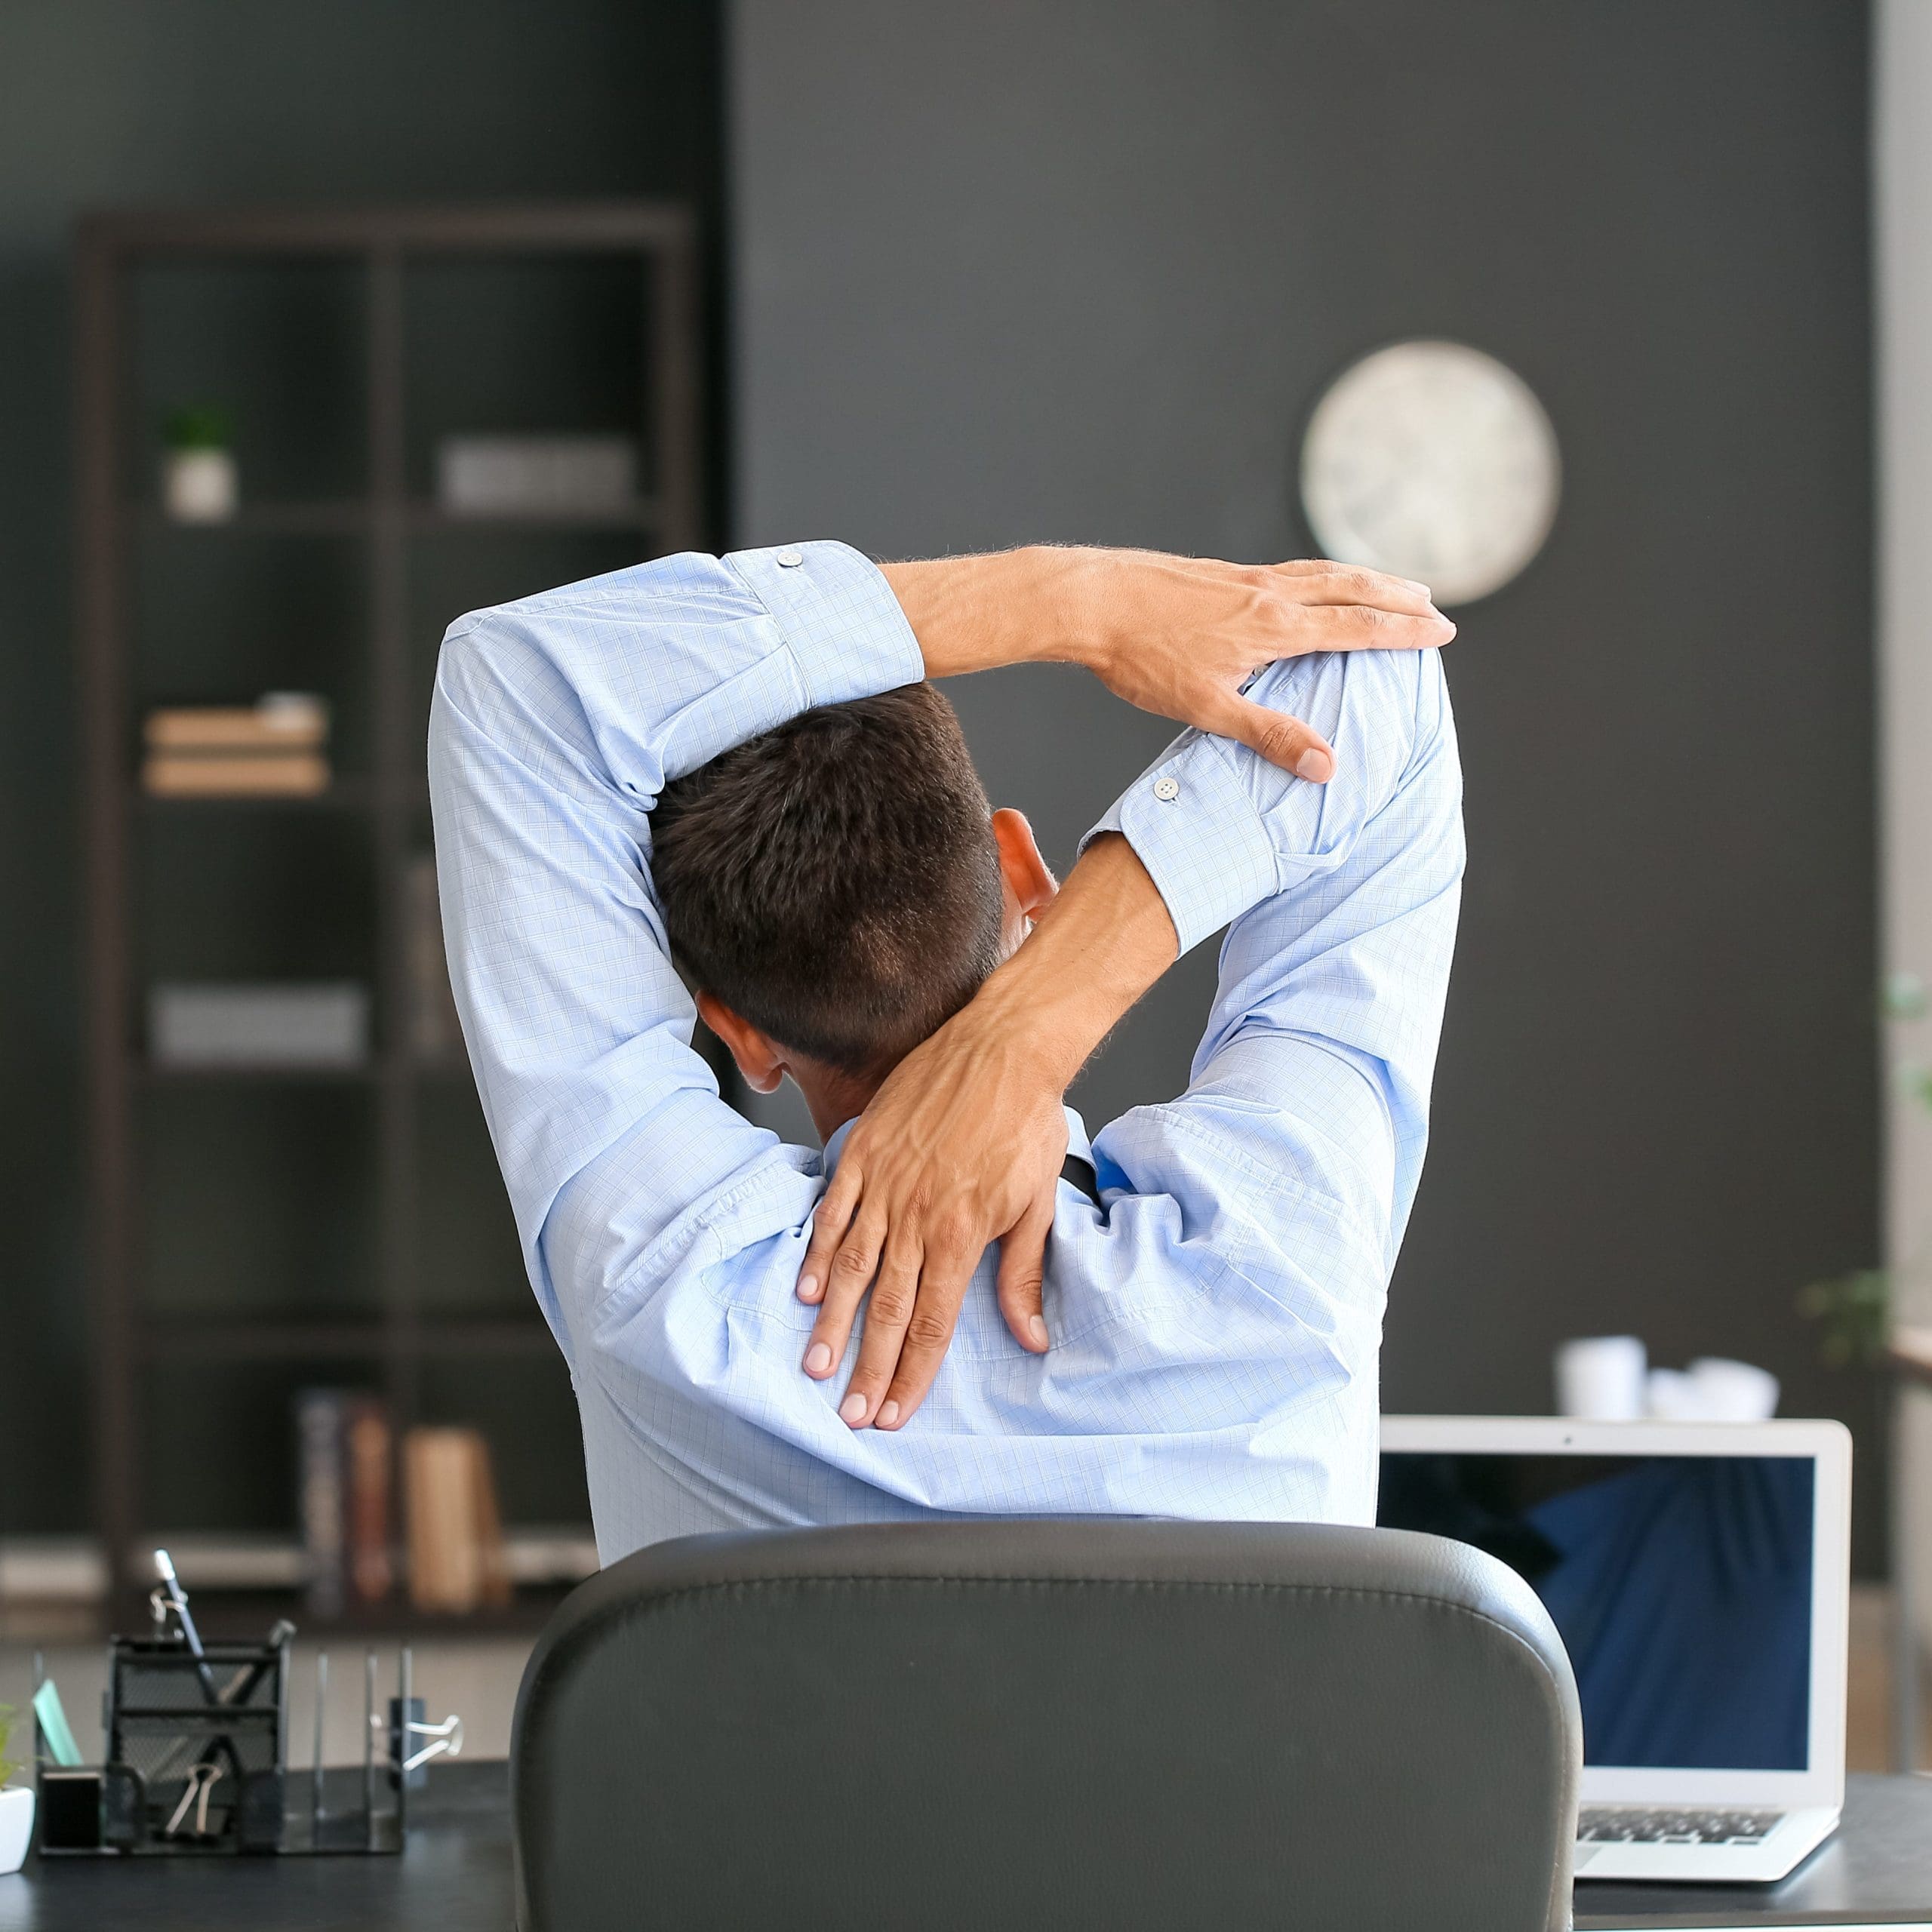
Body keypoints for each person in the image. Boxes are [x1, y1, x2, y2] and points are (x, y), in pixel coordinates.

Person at [427, 542, 1460, 1558]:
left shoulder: (661, 1282)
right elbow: (1378, 669)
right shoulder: (1285, 1247)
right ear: (1022, 873)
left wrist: (1082, 603)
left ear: (738, 1032)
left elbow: (519, 684)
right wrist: (1026, 1029)